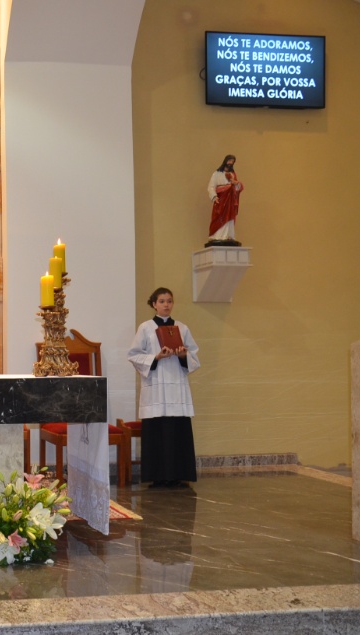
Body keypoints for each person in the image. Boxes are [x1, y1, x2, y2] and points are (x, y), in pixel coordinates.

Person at [127, 287, 200, 488]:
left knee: (178, 429)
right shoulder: (145, 328)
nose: (166, 304)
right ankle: (157, 475)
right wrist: (156, 357)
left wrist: (183, 354)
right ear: (154, 304)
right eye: (162, 301)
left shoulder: (182, 328)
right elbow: (133, 354)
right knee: (157, 430)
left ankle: (179, 474)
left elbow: (194, 355)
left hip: (177, 383)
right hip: (156, 384)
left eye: (169, 301)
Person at [206, 154, 244, 246]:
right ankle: (217, 235)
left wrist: (236, 183)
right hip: (221, 199)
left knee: (229, 217)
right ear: (225, 161)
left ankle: (228, 235)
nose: (230, 163)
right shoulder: (217, 174)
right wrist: (214, 197)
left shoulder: (232, 175)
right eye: (229, 161)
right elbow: (211, 187)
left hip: (230, 200)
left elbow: (238, 188)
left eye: (232, 161)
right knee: (219, 216)